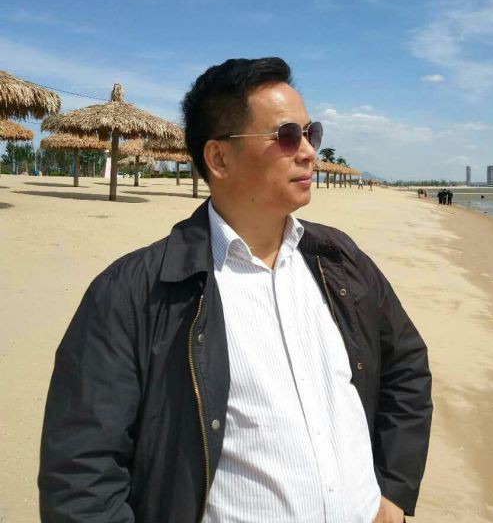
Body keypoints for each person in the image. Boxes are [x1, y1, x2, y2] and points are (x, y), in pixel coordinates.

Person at [39, 58, 433, 523]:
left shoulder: (339, 260)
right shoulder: (132, 294)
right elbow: (80, 476)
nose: (308, 152)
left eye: (311, 133)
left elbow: (406, 365)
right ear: (219, 158)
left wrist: (393, 490)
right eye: (288, 136)